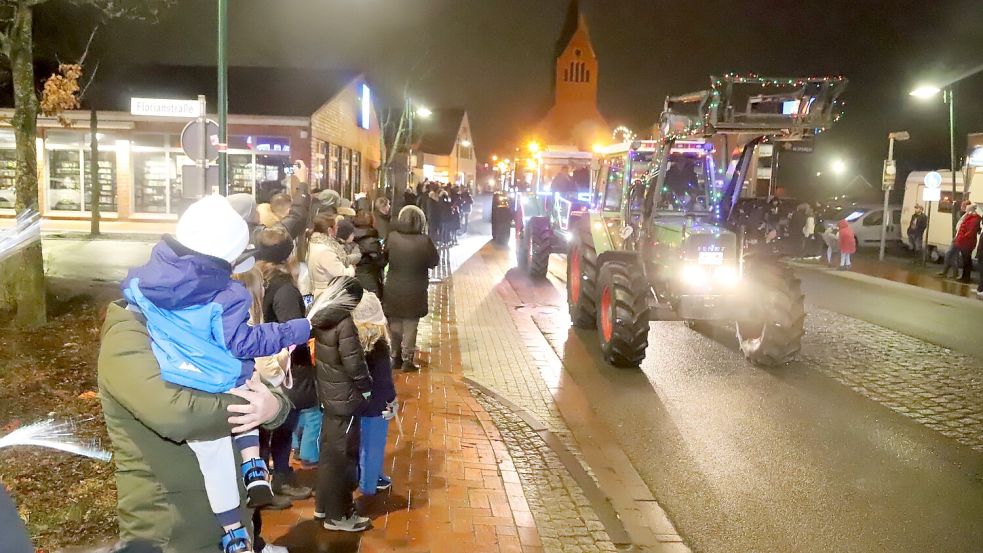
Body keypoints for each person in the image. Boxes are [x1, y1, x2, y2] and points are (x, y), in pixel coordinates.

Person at [119, 196, 312, 553]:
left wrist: (273, 409)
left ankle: (241, 523)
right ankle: (249, 482)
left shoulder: (144, 289)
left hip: (188, 513)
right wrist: (296, 331)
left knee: (230, 437)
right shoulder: (221, 296)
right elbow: (175, 415)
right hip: (169, 527)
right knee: (224, 446)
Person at [99, 291, 295, 552]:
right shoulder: (127, 340)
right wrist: (256, 405)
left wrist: (274, 405)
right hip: (174, 531)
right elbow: (177, 414)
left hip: (220, 517)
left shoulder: (185, 323)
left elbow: (243, 370)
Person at [309, 276, 373, 532]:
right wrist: (366, 387)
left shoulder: (320, 313)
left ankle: (323, 505)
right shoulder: (343, 322)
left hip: (328, 395)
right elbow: (354, 363)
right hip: (344, 399)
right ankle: (339, 515)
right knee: (343, 459)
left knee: (329, 454)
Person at [383, 205, 440, 371]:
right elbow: (433, 262)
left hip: (393, 285)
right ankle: (408, 359)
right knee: (410, 325)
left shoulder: (392, 237)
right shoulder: (425, 241)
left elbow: (383, 258)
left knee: (394, 323)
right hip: (416, 288)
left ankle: (395, 356)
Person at [352, 291, 397, 493]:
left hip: (357, 403)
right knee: (374, 447)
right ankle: (369, 484)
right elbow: (384, 378)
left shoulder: (351, 341)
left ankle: (364, 476)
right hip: (377, 405)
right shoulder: (379, 345)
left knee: (360, 445)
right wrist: (392, 399)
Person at [307, 214, 360, 295]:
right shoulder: (325, 250)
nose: (337, 229)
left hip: (323, 291)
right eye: (336, 226)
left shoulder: (315, 242)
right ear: (329, 230)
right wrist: (351, 268)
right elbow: (343, 274)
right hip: (327, 293)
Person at [939, 201, 977, 280]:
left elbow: (968, 229)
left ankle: (951, 273)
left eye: (964, 206)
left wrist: (960, 237)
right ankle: (952, 273)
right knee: (952, 255)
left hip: (961, 240)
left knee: (950, 254)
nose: (962, 207)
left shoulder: (969, 216)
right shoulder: (962, 214)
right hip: (958, 237)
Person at [352, 210, 386, 297]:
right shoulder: (372, 241)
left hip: (352, 278)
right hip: (369, 280)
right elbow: (380, 263)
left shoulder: (350, 237)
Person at [953, 203, 981, 282]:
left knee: (966, 261)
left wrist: (961, 238)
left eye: (967, 208)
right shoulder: (969, 216)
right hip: (964, 241)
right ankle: (964, 276)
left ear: (971, 209)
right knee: (966, 260)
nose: (966, 210)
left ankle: (966, 277)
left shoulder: (974, 218)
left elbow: (970, 231)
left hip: (967, 242)